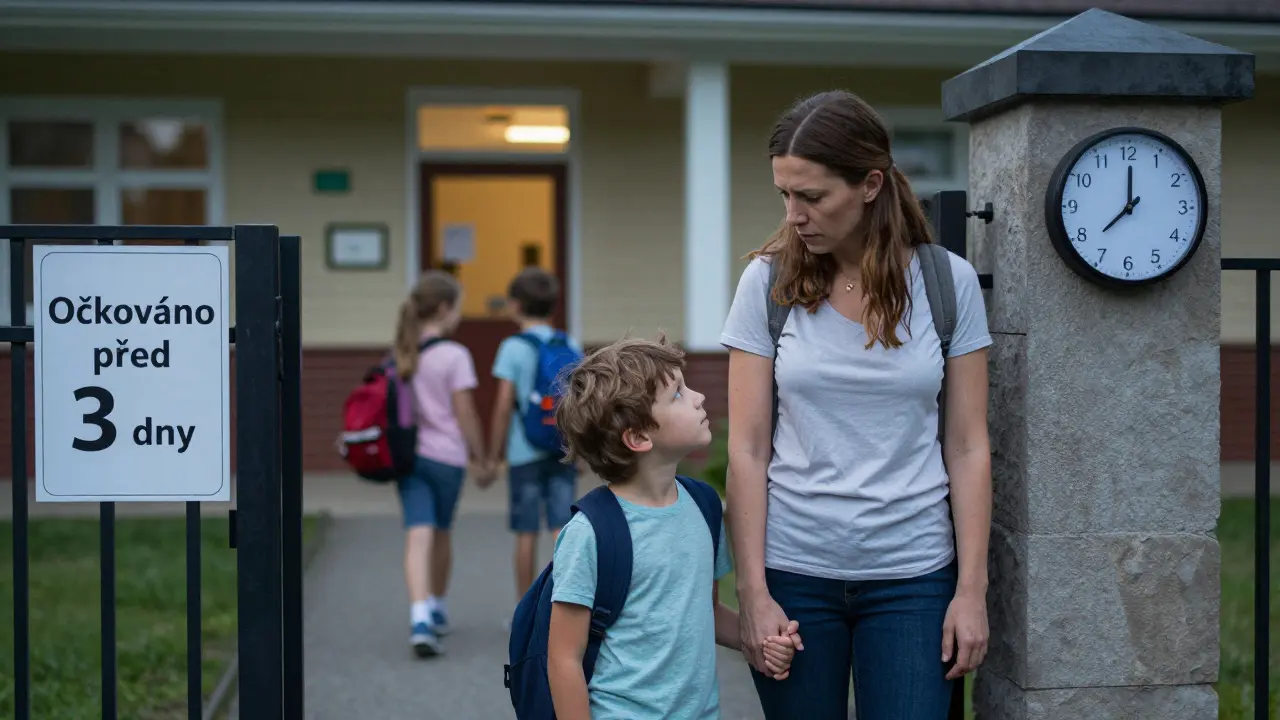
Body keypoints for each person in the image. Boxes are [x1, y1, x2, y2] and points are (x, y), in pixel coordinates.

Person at [719, 89, 993, 719]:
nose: (794, 215)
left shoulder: (946, 283)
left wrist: (971, 591)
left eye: (811, 196)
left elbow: (969, 444)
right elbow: (748, 447)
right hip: (793, 574)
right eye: (785, 195)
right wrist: (753, 591)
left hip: (915, 579)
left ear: (870, 185)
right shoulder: (767, 283)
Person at [546, 336, 800, 719]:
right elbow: (564, 657)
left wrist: (762, 642)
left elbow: (706, 611)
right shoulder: (591, 532)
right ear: (639, 437)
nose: (698, 397)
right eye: (678, 394)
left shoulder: (703, 505)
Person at [391, 270, 490, 658]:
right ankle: (437, 606)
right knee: (442, 531)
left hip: (408, 456)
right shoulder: (454, 355)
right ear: (446, 309)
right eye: (458, 309)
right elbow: (465, 412)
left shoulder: (403, 349)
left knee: (418, 533)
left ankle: (418, 617)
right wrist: (481, 457)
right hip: (446, 457)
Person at [484, 267, 583, 603]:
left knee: (526, 532)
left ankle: (524, 609)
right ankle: (564, 604)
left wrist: (492, 455)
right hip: (562, 448)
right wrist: (581, 450)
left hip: (522, 450)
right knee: (562, 529)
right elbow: (580, 400)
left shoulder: (511, 347)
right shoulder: (568, 343)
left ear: (514, 306)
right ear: (554, 305)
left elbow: (501, 406)